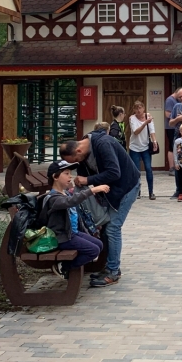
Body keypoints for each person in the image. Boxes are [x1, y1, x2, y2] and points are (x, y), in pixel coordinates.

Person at [60, 127, 141, 288]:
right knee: (105, 227)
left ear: (78, 150)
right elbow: (83, 171)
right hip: (113, 190)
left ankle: (113, 271)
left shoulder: (103, 144)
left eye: (75, 159)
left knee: (113, 228)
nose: (77, 163)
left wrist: (87, 180)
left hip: (127, 187)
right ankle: (108, 266)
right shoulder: (84, 149)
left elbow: (114, 172)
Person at [40, 160, 106, 278]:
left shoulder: (65, 193)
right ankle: (64, 266)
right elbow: (70, 202)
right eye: (66, 173)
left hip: (72, 233)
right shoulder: (53, 198)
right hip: (61, 238)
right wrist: (92, 190)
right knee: (93, 250)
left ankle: (74, 265)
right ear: (55, 176)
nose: (70, 176)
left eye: (70, 173)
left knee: (99, 245)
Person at [127, 100, 156, 201]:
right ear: (134, 110)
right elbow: (136, 132)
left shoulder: (148, 116)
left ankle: (151, 192)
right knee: (136, 170)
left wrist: (154, 141)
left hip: (146, 147)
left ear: (143, 108)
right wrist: (145, 123)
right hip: (134, 147)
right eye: (136, 108)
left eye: (140, 108)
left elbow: (152, 130)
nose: (139, 110)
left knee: (148, 168)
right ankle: (137, 191)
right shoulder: (132, 118)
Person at [164, 91, 178, 175]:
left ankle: (177, 167)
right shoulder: (170, 100)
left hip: (176, 127)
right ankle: (171, 168)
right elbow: (167, 114)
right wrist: (178, 117)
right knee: (172, 147)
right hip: (171, 127)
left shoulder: (175, 100)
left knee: (176, 146)